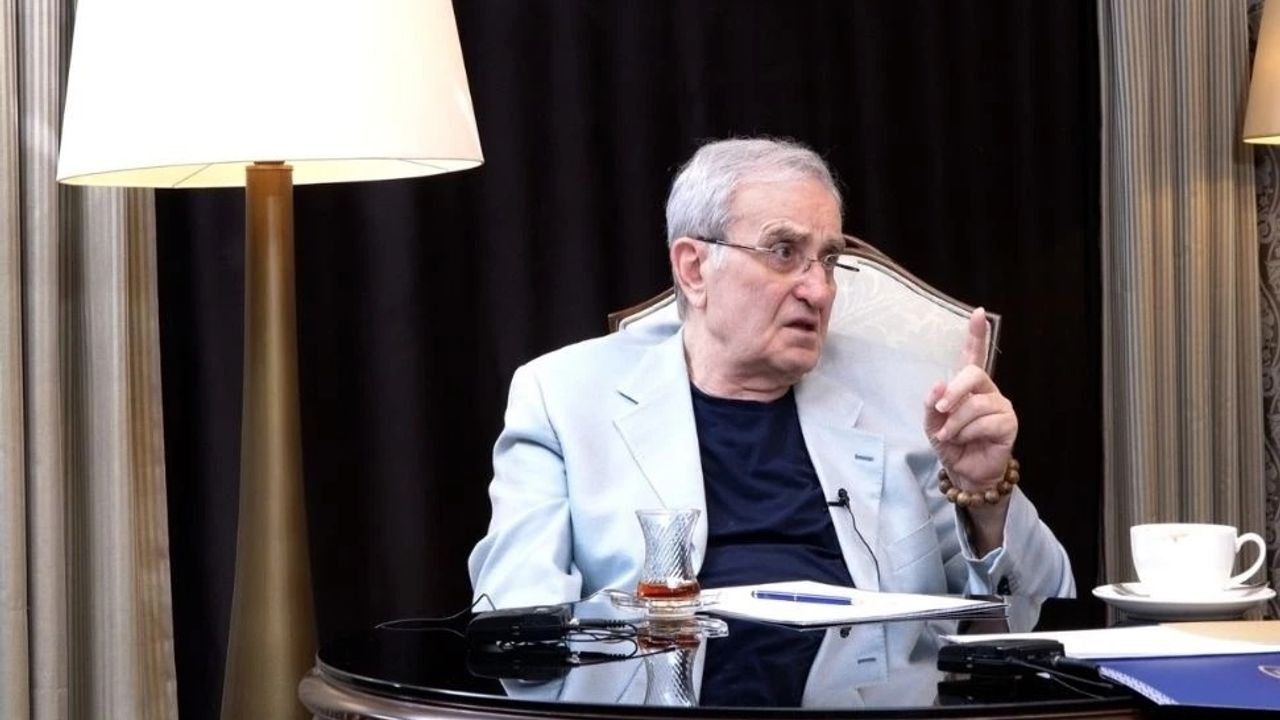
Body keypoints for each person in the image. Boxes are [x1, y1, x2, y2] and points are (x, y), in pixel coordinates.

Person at [469, 137, 1074, 609]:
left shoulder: (914, 399)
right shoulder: (564, 397)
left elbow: (1043, 610)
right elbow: (518, 616)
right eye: (784, 252)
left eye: (828, 260)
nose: (819, 290)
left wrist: (988, 496)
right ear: (694, 269)